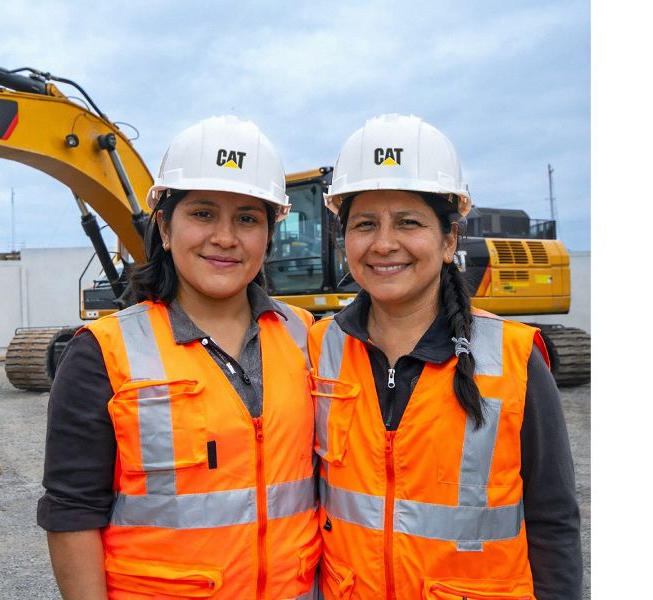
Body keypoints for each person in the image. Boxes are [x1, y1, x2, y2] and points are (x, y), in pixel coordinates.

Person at [37, 115, 321, 599]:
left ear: (268, 234)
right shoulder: (103, 352)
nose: (225, 237)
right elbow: (72, 511)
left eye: (247, 218)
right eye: (203, 214)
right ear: (165, 229)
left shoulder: (306, 336)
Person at [310, 114, 582, 599]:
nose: (384, 244)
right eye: (365, 224)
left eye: (408, 223)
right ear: (344, 239)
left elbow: (553, 519)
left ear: (449, 239)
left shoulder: (514, 358)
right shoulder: (318, 347)